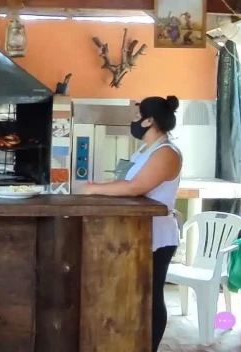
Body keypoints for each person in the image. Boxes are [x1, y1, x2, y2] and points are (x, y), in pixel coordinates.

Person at [80, 95, 182, 352]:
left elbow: (136, 187)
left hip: (157, 236)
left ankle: (150, 346)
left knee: (151, 295)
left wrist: (94, 190)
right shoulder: (144, 150)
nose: (134, 122)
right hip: (137, 234)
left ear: (150, 120)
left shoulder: (167, 153)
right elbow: (125, 181)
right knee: (136, 293)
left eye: (137, 117)